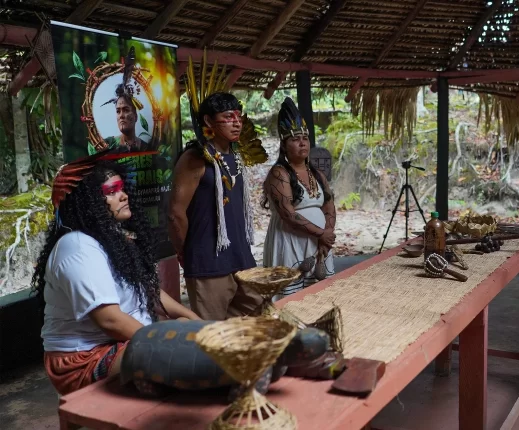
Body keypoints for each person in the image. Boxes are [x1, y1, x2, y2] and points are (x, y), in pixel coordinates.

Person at [34, 153, 200, 396]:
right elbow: (110, 320)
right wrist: (160, 342)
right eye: (111, 191)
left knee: (189, 329)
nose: (123, 196)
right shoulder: (78, 246)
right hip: (83, 360)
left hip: (121, 344)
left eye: (122, 188)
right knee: (183, 353)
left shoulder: (112, 237)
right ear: (88, 202)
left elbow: (149, 290)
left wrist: (198, 322)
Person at [169, 91, 263, 320]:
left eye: (239, 116)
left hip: (242, 260)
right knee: (213, 337)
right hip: (208, 263)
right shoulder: (195, 158)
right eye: (228, 116)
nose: (236, 122)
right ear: (208, 121)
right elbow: (175, 212)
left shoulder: (235, 155)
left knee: (256, 326)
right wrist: (184, 249)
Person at [263, 97, 336, 298]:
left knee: (320, 295)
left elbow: (329, 205)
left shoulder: (317, 174)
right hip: (289, 241)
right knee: (291, 297)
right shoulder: (279, 174)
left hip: (319, 243)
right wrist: (321, 233)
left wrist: (326, 235)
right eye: (295, 139)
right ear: (284, 145)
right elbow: (288, 214)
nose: (302, 143)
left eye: (305, 138)